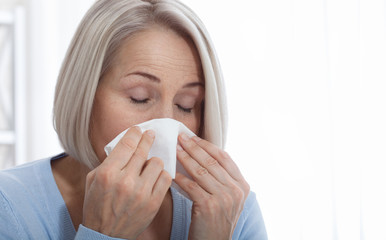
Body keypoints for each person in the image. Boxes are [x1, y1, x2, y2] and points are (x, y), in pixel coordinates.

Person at [0, 0, 267, 239]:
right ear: (85, 95)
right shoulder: (9, 207)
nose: (166, 123)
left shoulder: (230, 209)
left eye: (186, 105)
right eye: (139, 98)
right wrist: (103, 235)